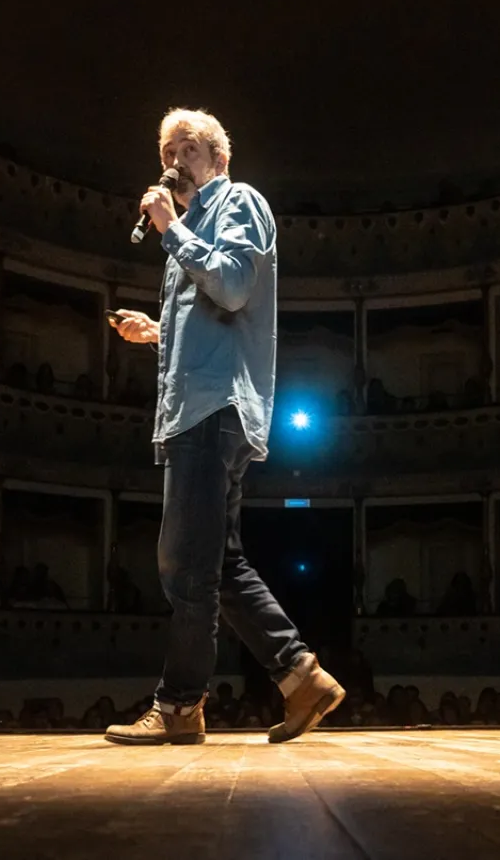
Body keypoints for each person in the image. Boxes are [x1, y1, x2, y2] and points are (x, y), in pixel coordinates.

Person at [103, 108, 344, 746]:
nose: (173, 160)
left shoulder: (237, 201)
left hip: (215, 412)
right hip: (197, 407)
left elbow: (235, 287)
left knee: (186, 566)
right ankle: (302, 677)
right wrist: (157, 332)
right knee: (216, 560)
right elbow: (213, 322)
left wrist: (172, 228)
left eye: (187, 149)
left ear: (219, 160)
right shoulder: (190, 227)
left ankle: (180, 705)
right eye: (166, 150)